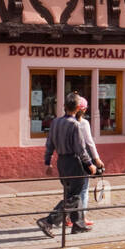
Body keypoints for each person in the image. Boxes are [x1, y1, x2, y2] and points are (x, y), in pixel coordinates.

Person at [36, 93, 96, 237]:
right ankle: (48, 221)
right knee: (74, 196)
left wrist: (47, 162)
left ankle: (78, 224)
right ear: (76, 108)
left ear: (64, 107)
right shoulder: (74, 124)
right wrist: (90, 164)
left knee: (72, 193)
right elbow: (80, 148)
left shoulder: (55, 122)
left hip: (61, 162)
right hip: (73, 162)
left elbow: (49, 144)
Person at [74, 97, 104, 229]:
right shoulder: (84, 123)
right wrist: (96, 159)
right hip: (83, 159)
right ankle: (82, 217)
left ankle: (70, 217)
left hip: (69, 160)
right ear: (84, 109)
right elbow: (89, 142)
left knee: (72, 191)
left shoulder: (66, 121)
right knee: (84, 190)